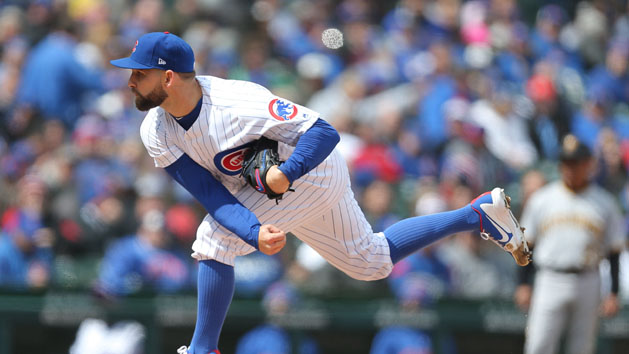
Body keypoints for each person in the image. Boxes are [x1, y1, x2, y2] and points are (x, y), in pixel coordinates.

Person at [110, 32, 529, 354]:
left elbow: (323, 132)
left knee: (212, 241)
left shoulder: (238, 102)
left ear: (168, 77)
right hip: (271, 192)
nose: (130, 81)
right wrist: (254, 232)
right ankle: (477, 215)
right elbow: (211, 194)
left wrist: (287, 172)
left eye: (138, 73)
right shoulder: (156, 129)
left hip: (312, 174)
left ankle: (203, 349)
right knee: (372, 261)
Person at [514, 134, 626, 354]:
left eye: (575, 163)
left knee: (582, 348)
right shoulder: (542, 199)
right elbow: (525, 246)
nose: (569, 168)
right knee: (538, 345)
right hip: (549, 278)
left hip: (589, 279)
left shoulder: (605, 203)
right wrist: (523, 284)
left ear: (588, 165)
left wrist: (613, 292)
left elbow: (614, 251)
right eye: (565, 163)